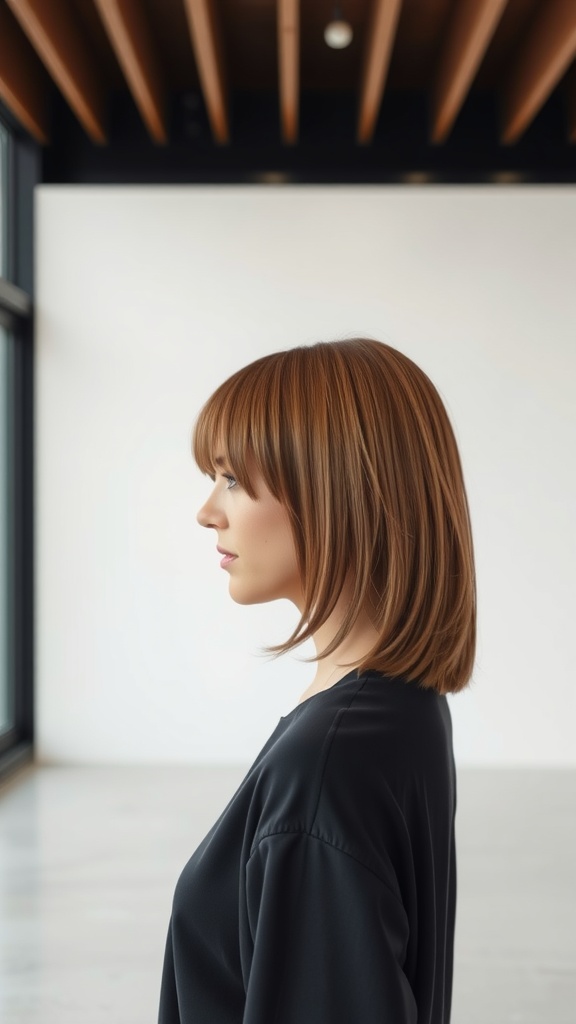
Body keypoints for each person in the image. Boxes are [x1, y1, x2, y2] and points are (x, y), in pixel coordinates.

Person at [157, 336, 476, 1024]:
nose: (208, 510)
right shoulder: (401, 706)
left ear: (334, 492)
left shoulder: (326, 767)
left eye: (233, 479)